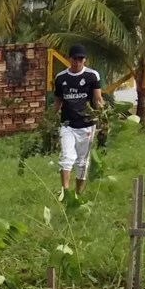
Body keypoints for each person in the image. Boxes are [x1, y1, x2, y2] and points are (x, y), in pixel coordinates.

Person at [52, 44, 105, 194]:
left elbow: (98, 99)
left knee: (82, 161)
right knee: (66, 157)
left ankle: (78, 194)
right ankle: (65, 192)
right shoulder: (61, 78)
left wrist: (104, 119)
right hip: (67, 124)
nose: (78, 62)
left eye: (81, 59)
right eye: (75, 59)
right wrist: (49, 119)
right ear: (69, 59)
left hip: (87, 124)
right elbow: (57, 101)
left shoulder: (92, 76)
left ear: (85, 60)